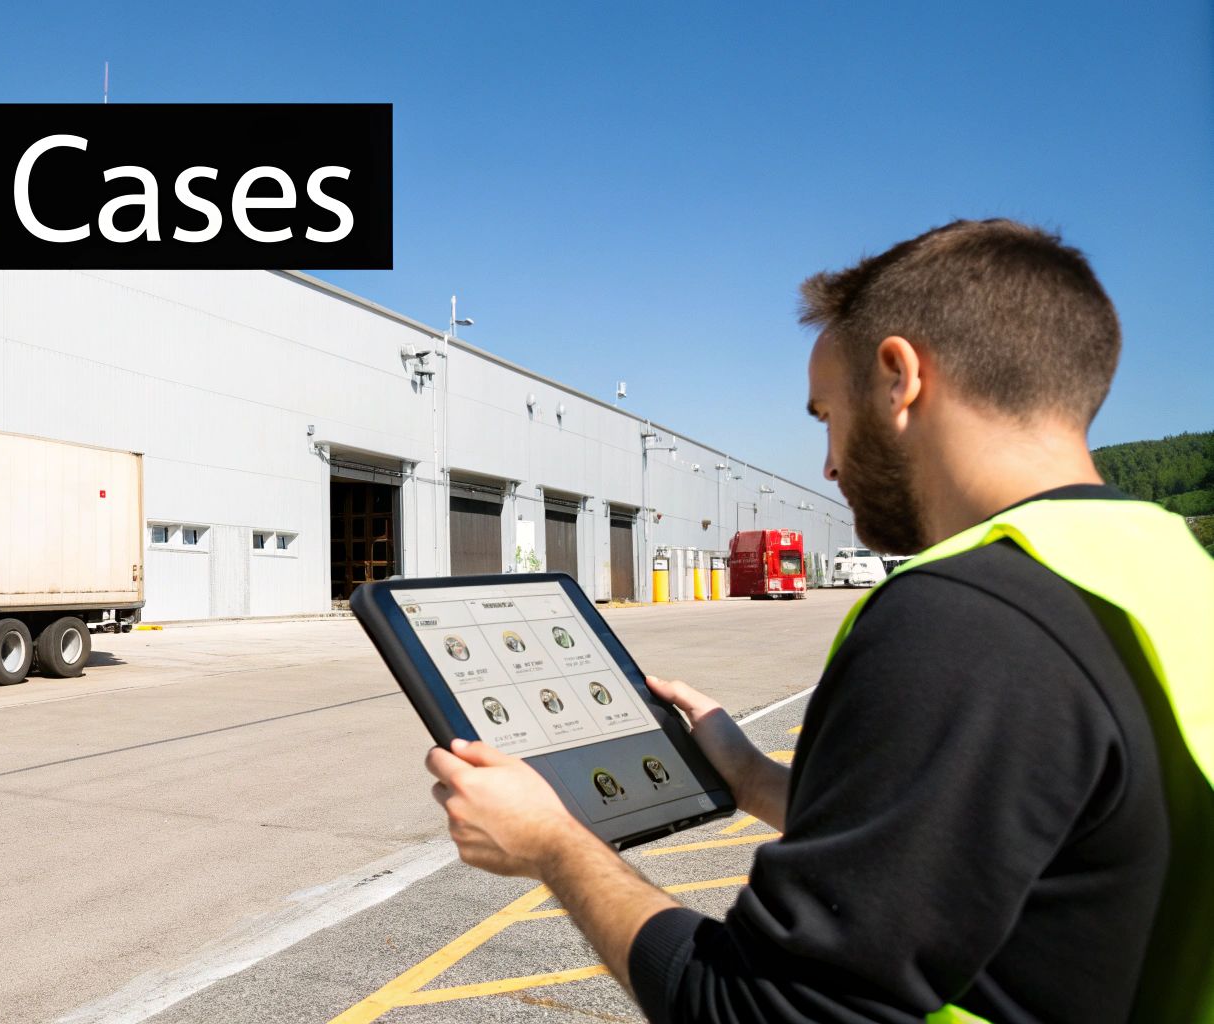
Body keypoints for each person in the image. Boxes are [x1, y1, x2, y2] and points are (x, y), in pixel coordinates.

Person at [425, 220, 1213, 1023]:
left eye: (825, 414)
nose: (829, 464)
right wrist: (749, 777)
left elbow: (759, 1009)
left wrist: (555, 845)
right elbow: (1013, 840)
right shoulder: (1166, 574)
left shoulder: (964, 620)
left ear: (900, 377)